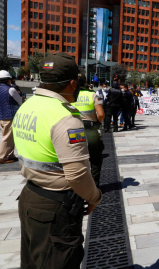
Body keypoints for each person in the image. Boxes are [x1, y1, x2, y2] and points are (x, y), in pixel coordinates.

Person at [14, 52, 102, 268]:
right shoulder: (66, 117)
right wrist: (94, 197)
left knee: (33, 262)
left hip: (30, 195)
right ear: (73, 84)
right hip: (55, 207)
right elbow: (78, 174)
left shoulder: (27, 106)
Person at [71, 69, 105, 186]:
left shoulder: (70, 96)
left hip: (74, 131)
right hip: (90, 130)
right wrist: (97, 124)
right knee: (95, 158)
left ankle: (79, 186)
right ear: (86, 83)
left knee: (78, 159)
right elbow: (101, 114)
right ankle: (94, 187)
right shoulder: (92, 94)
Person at [0, 70, 22, 164]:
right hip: (10, 116)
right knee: (7, 137)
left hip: (1, 116)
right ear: (8, 80)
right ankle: (2, 157)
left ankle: (10, 155)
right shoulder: (11, 89)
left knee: (9, 136)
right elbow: (20, 101)